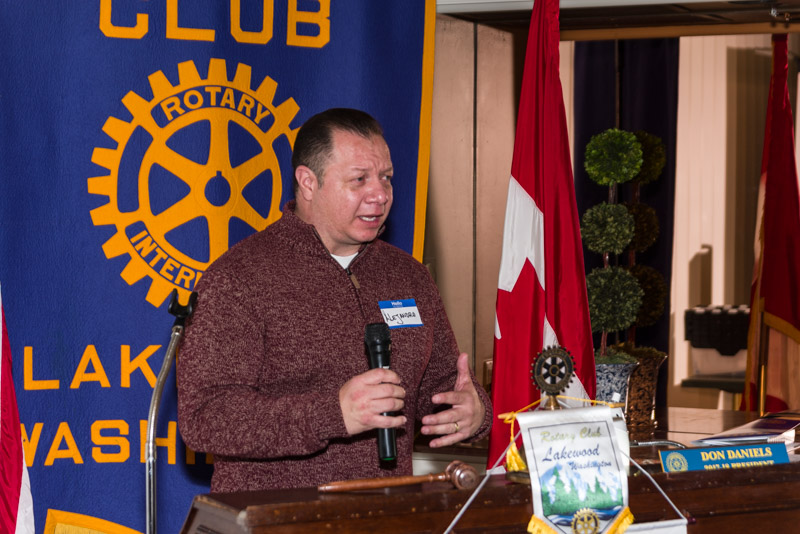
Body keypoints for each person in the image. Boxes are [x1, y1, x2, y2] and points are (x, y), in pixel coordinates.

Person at [177, 108, 492, 493]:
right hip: (276, 516)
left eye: (386, 178)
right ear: (308, 183)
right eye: (359, 179)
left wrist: (471, 411)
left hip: (390, 512)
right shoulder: (238, 278)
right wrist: (332, 414)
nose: (380, 195)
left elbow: (440, 389)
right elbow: (205, 418)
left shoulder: (409, 276)